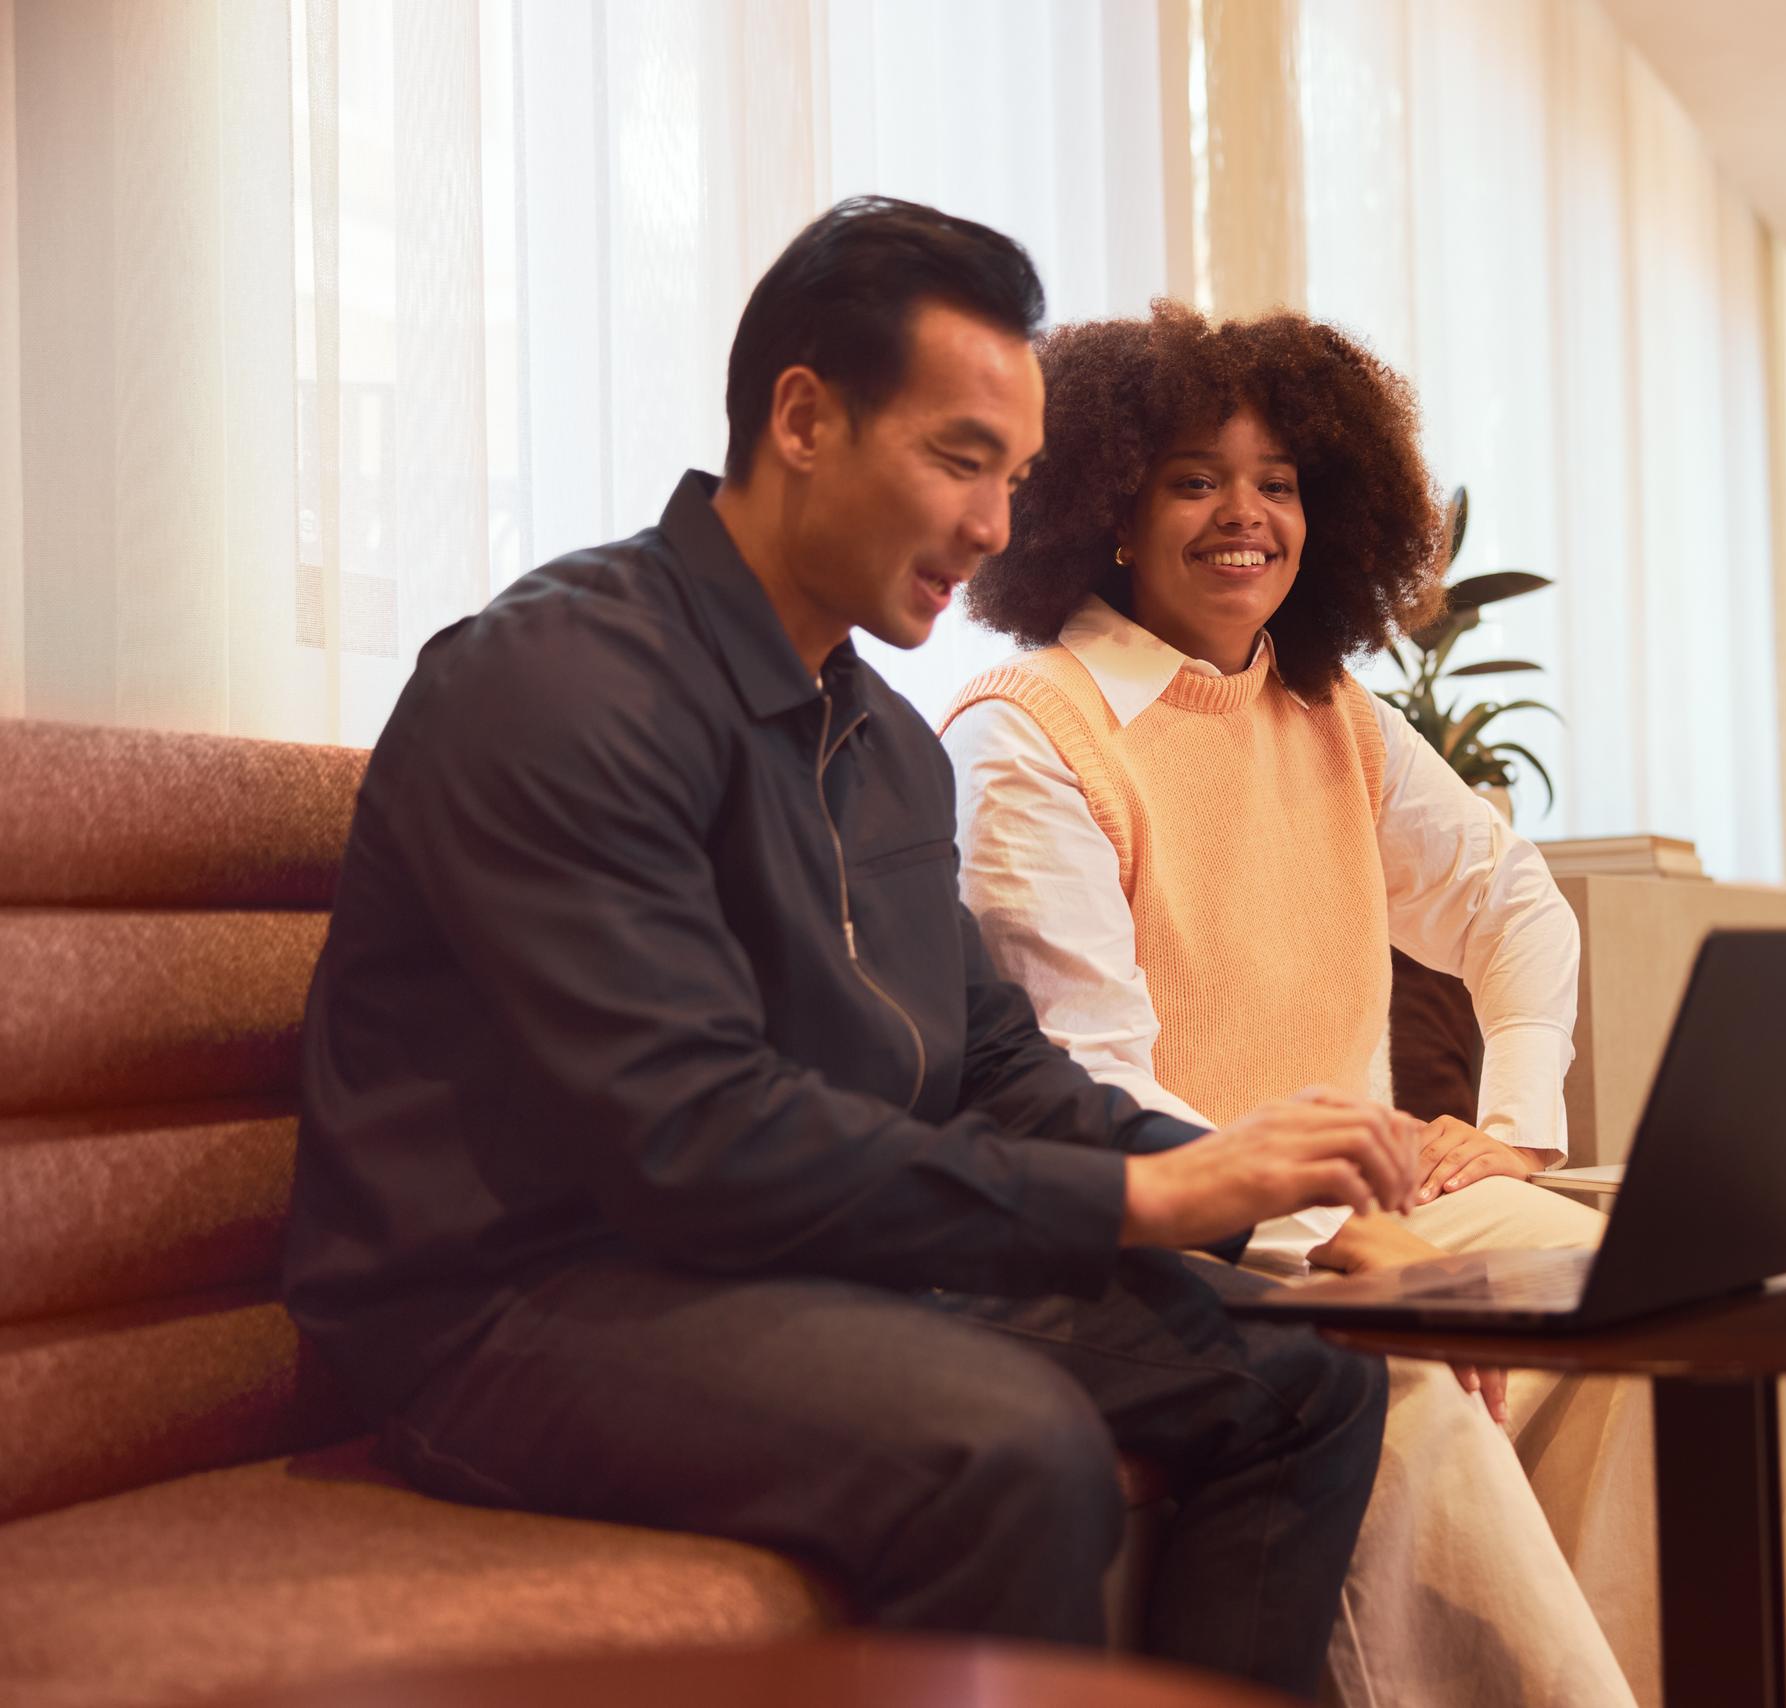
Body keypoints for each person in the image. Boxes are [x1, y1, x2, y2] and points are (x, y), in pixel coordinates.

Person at [281, 199, 1419, 1702]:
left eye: (1014, 480)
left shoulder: (883, 741)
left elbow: (997, 1065)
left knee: (1313, 1376)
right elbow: (689, 1138)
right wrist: (1140, 1194)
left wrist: (1262, 1195)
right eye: (961, 461)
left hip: (787, 1266)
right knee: (1008, 1452)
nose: (999, 529)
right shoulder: (559, 685)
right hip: (518, 1308)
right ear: (803, 418)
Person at [940, 302, 1659, 1707]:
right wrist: (1340, 1229)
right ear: (1108, 508)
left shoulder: (1337, 716)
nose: (1245, 517)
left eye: (1278, 482)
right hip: (1178, 1236)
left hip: (1368, 1210)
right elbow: (1092, 1090)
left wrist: (1510, 1129)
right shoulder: (1030, 729)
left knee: (1625, 1309)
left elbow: (1515, 908)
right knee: (1411, 1400)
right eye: (1195, 478)